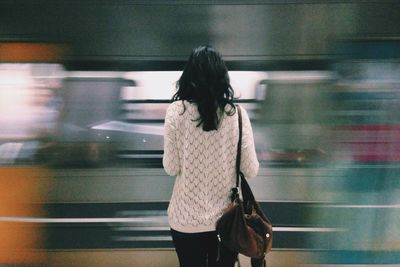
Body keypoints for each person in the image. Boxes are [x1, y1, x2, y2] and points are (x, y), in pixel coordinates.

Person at [163, 45, 259, 267]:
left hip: (184, 221)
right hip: (226, 223)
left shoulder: (176, 112)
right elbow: (251, 170)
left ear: (188, 76)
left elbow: (170, 167)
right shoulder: (238, 116)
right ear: (222, 78)